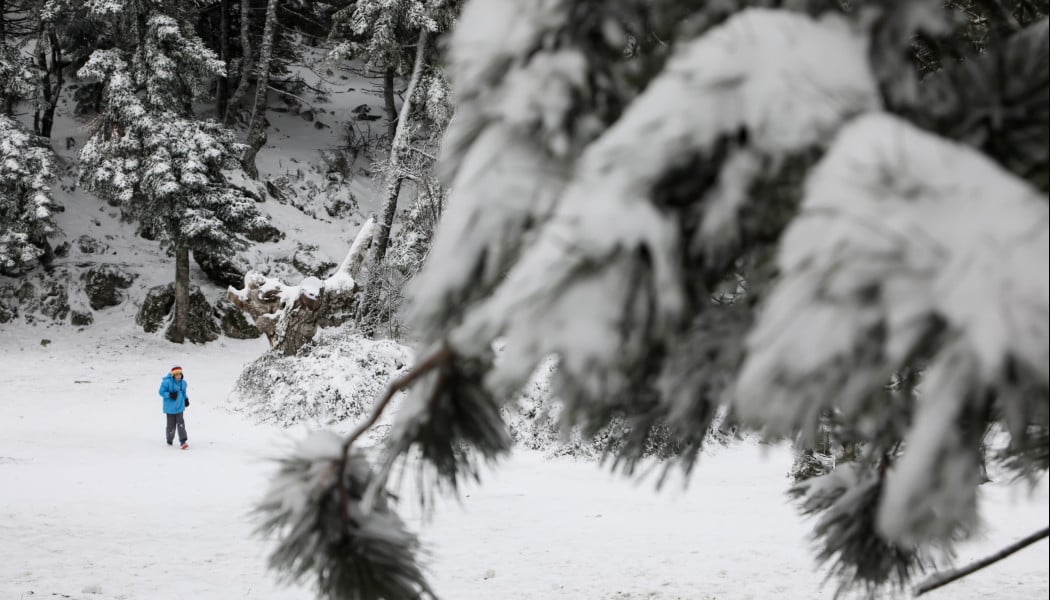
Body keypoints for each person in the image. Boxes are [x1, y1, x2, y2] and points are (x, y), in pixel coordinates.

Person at [159, 366, 190, 449]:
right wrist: (169, 395)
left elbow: (183, 392)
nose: (178, 376)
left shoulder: (183, 383)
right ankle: (169, 439)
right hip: (170, 408)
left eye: (179, 374)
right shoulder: (167, 382)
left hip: (180, 407)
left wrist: (186, 399)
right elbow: (161, 392)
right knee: (171, 426)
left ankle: (183, 441)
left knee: (181, 424)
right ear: (173, 375)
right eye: (176, 374)